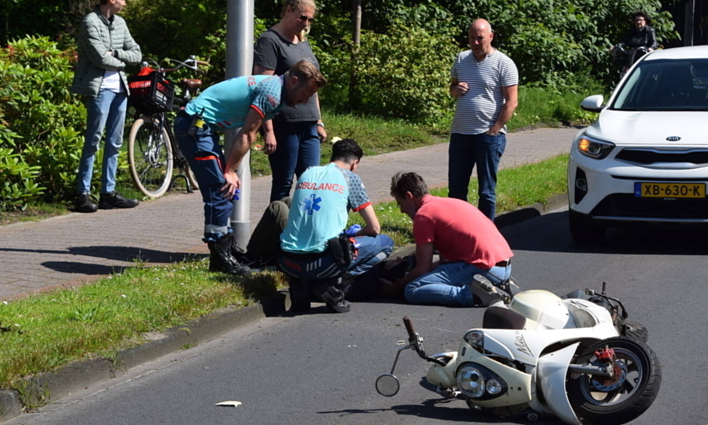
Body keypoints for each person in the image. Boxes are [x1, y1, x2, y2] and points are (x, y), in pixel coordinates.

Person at [174, 60, 326, 276]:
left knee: (226, 191)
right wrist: (230, 171)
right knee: (220, 190)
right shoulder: (272, 92)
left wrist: (230, 170)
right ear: (293, 81)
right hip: (194, 127)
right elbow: (247, 133)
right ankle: (220, 256)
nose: (307, 100)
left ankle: (228, 248)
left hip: (200, 127)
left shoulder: (278, 90)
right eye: (307, 92)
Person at [278, 139, 394, 313]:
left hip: (287, 259)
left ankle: (301, 284)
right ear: (355, 163)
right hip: (324, 260)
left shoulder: (307, 172)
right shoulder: (350, 178)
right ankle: (331, 283)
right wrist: (352, 235)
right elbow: (374, 228)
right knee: (385, 243)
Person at [383, 171, 513, 307]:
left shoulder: (424, 216)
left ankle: (474, 295)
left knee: (412, 289)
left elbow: (422, 269)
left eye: (400, 204)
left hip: (483, 269)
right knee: (430, 277)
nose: (402, 211)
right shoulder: (450, 203)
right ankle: (496, 284)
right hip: (503, 265)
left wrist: (394, 287)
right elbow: (444, 262)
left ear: (409, 196)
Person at [70, 0, 142, 213]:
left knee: (115, 142)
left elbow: (137, 54)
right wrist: (121, 61)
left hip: (120, 88)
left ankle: (107, 193)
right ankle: (82, 194)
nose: (124, 3)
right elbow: (99, 58)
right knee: (93, 140)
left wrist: (117, 54)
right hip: (99, 88)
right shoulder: (89, 22)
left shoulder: (120, 23)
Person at [252, 0, 327, 202]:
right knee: (283, 184)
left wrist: (319, 121)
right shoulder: (269, 41)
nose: (305, 23)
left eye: (310, 19)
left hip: (309, 124)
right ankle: (276, 231)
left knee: (311, 183)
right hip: (284, 124)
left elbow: (313, 85)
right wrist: (268, 130)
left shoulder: (302, 42)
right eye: (302, 17)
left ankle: (304, 232)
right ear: (288, 11)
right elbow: (263, 89)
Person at [448, 18, 519, 222]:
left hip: (487, 136)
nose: (476, 43)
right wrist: (456, 90)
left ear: (490, 36)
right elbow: (452, 89)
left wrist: (495, 129)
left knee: (486, 191)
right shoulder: (461, 59)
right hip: (461, 133)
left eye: (480, 38)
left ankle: (486, 236)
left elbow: (512, 102)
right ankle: (458, 232)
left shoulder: (504, 63)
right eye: (472, 38)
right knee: (456, 190)